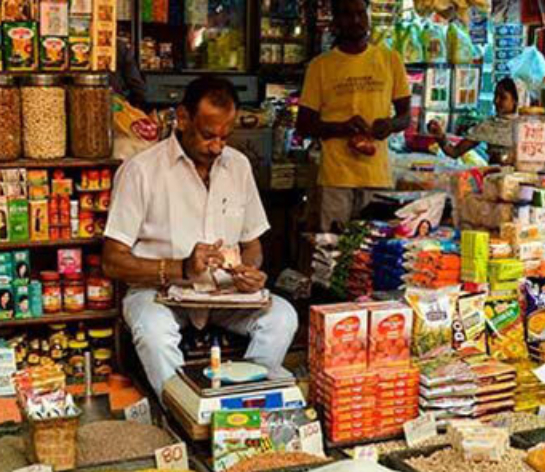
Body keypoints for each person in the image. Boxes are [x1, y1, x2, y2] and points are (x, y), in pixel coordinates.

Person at [102, 76, 298, 396]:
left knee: (282, 317)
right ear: (182, 118)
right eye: (208, 136)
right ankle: (185, 410)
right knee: (153, 330)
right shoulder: (141, 171)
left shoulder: (238, 166)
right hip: (159, 294)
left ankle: (243, 395)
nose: (217, 146)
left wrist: (248, 271)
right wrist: (180, 269)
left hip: (225, 294)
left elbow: (252, 244)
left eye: (225, 136)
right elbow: (113, 261)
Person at [296, 0, 411, 232]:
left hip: (377, 177)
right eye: (347, 14)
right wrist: (342, 128)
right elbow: (304, 125)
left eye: (360, 13)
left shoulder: (390, 60)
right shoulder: (320, 66)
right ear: (336, 21)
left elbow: (405, 117)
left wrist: (389, 125)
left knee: (372, 252)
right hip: (336, 178)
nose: (356, 20)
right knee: (333, 252)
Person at [431, 77, 519, 161]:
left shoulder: (526, 126)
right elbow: (454, 152)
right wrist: (440, 136)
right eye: (495, 95)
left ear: (516, 101)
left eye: (503, 97)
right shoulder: (488, 125)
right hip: (494, 175)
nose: (496, 101)